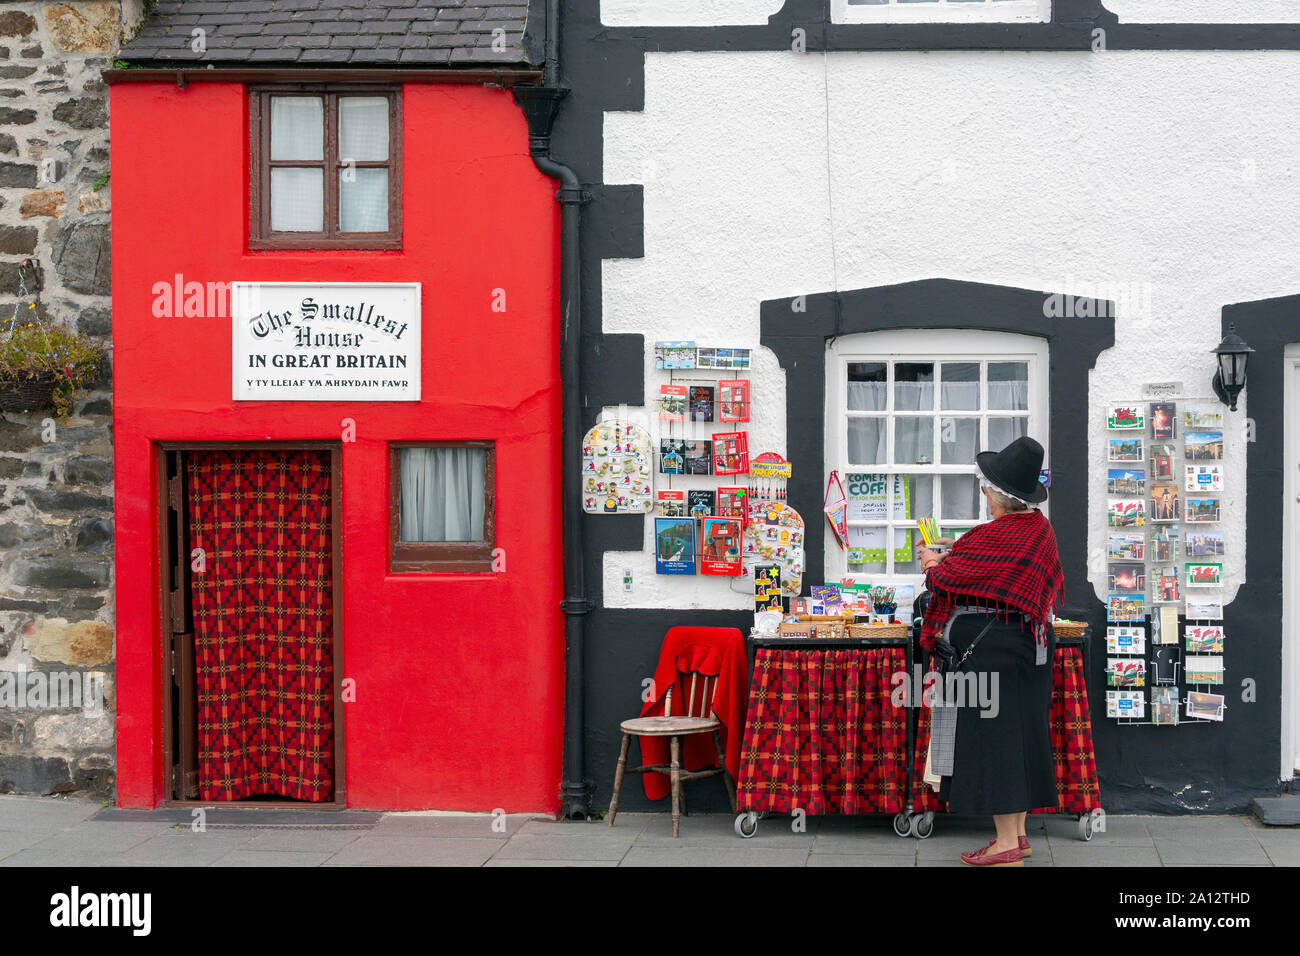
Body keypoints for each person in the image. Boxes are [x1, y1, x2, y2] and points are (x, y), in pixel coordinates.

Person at [915, 436, 1065, 867]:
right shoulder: (1039, 529)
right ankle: (1016, 836)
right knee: (1020, 740)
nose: (984, 497)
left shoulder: (993, 536)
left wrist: (932, 566)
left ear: (998, 496)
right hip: (1030, 648)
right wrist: (948, 561)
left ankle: (1004, 846)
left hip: (993, 651)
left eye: (986, 491)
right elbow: (988, 574)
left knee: (997, 745)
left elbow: (951, 580)